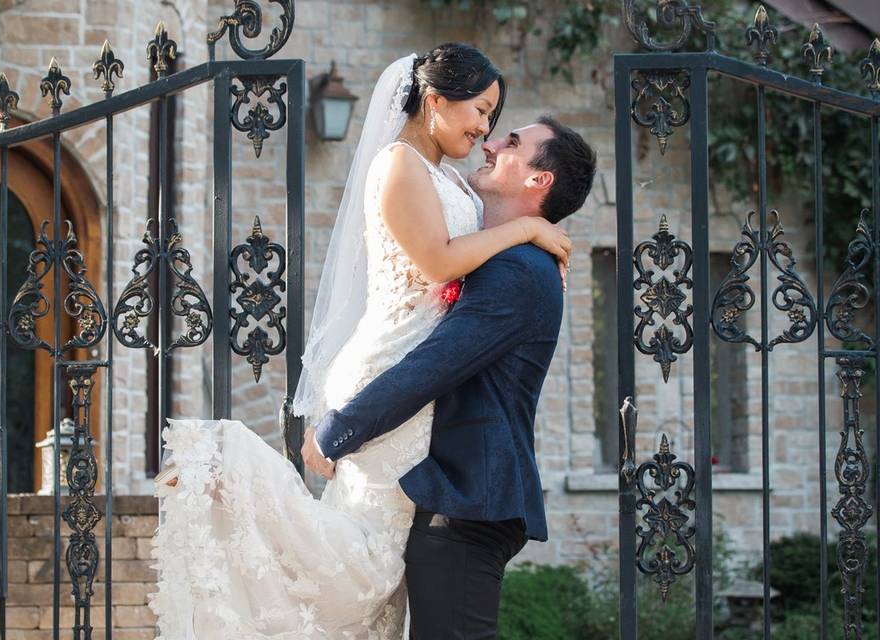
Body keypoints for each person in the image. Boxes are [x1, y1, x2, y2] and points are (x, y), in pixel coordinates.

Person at [149, 43, 581, 639]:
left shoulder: (450, 181)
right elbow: (437, 262)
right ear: (435, 99)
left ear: (536, 176)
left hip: (412, 378)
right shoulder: (400, 164)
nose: (488, 133)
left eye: (499, 127)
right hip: (393, 368)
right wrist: (532, 227)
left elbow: (469, 286)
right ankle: (225, 464)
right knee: (368, 560)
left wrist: (531, 234)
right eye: (481, 112)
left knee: (376, 560)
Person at [303, 116, 597, 638]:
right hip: (449, 494)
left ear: (539, 180)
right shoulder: (506, 257)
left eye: (511, 143)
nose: (489, 142)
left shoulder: (520, 272)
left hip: (470, 502)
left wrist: (335, 433)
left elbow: (431, 367)